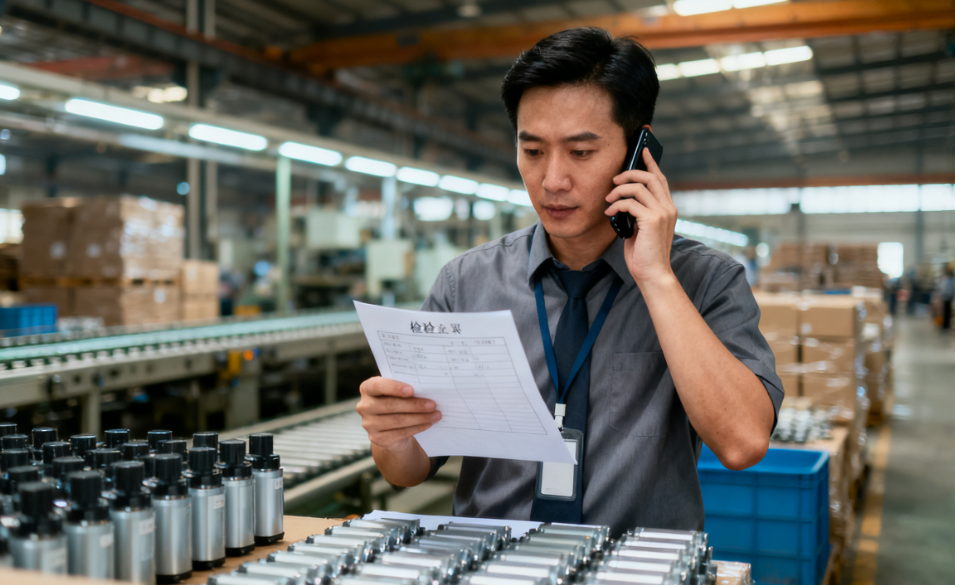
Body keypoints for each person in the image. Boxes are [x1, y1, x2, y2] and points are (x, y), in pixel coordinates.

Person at [356, 28, 783, 536]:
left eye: (581, 152)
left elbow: (742, 443)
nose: (552, 180)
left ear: (638, 153)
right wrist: (391, 436)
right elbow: (408, 471)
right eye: (533, 151)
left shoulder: (704, 280)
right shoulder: (466, 284)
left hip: (635, 570)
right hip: (495, 566)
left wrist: (655, 278)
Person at [940, 263, 954, 330]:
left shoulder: (949, 280)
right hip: (947, 297)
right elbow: (944, 289)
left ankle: (947, 325)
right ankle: (946, 325)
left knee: (947, 312)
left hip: (948, 297)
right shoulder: (947, 280)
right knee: (946, 312)